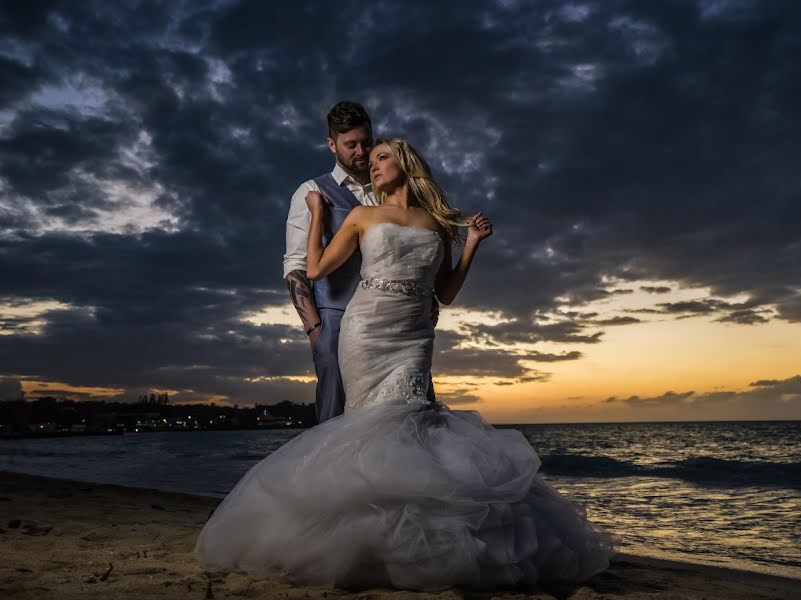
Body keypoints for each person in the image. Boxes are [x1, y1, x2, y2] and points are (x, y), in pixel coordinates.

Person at [196, 139, 616, 590]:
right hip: (366, 330)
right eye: (370, 159)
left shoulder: (435, 222)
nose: (371, 165)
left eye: (381, 157)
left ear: (406, 163)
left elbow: (447, 293)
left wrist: (471, 243)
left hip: (414, 336)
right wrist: (318, 212)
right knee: (369, 425)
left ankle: (410, 541)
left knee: (414, 419)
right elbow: (314, 269)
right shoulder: (361, 217)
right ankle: (362, 537)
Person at [282, 101, 377, 423]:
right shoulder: (310, 192)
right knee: (335, 419)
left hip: (387, 316)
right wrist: (315, 331)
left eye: (367, 142)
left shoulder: (390, 191)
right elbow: (296, 265)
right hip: (335, 318)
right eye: (351, 145)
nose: (361, 151)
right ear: (332, 144)